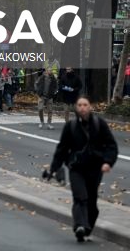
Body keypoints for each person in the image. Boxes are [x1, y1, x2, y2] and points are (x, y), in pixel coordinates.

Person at [44, 97, 117, 242]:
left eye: (85, 105)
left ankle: (87, 227)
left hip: (95, 168)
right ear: (76, 108)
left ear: (90, 107)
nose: (82, 108)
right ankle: (79, 226)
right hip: (76, 168)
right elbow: (62, 150)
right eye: (79, 105)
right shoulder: (70, 126)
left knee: (91, 201)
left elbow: (111, 146)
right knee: (80, 197)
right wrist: (54, 169)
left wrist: (108, 162)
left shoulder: (99, 124)